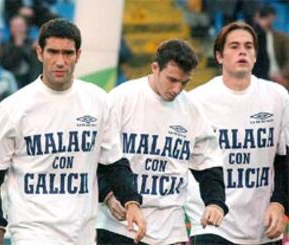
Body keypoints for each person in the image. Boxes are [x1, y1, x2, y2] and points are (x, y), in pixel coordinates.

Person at [0, 18, 146, 245]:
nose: (60, 61)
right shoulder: (13, 108)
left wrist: (132, 202)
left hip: (82, 230)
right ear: (39, 52)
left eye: (68, 53)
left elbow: (113, 163)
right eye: (52, 52)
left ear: (78, 55)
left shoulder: (98, 100)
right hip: (32, 229)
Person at [96, 39, 228, 245]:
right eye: (172, 79)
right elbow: (98, 158)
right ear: (155, 68)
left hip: (170, 229)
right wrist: (108, 195)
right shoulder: (121, 99)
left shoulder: (192, 110)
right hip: (120, 225)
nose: (177, 89)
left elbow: (209, 165)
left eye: (184, 82)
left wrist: (215, 202)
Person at [186, 21, 289, 245]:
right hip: (212, 225)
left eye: (248, 46)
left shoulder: (277, 97)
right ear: (219, 56)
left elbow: (284, 159)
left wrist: (280, 203)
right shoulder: (196, 101)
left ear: (255, 55)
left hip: (263, 226)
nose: (242, 50)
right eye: (234, 46)